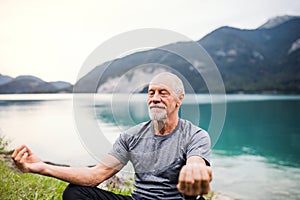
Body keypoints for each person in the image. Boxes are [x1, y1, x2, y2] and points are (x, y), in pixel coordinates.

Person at [12, 72, 212, 200]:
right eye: (151, 93)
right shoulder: (131, 136)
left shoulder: (195, 135)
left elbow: (196, 161)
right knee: (75, 193)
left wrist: (194, 167)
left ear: (179, 100)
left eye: (163, 93)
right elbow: (95, 175)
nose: (155, 98)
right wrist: (41, 167)